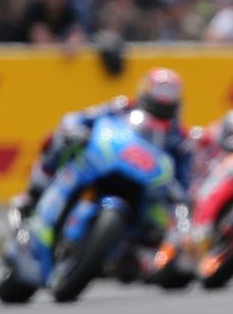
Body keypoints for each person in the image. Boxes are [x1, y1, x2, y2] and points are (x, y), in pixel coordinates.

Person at [12, 68, 192, 220]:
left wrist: (178, 193)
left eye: (169, 94)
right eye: (160, 92)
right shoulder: (122, 107)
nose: (163, 101)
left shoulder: (178, 136)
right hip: (107, 163)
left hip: (147, 190)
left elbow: (184, 179)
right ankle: (34, 194)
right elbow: (81, 118)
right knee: (61, 140)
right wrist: (76, 129)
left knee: (164, 222)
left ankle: (139, 246)